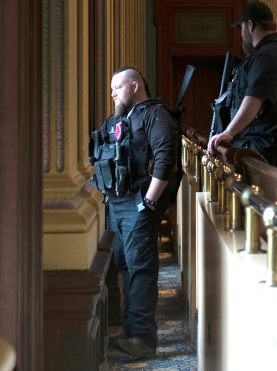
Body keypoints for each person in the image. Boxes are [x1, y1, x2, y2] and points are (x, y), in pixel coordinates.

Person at [95, 67, 181, 360]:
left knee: (141, 269)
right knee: (126, 266)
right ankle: (132, 332)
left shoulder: (156, 116)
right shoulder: (120, 119)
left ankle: (143, 338)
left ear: (135, 86)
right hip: (118, 205)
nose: (112, 93)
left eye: (116, 87)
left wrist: (149, 202)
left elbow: (166, 160)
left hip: (138, 205)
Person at [207, 1, 277, 170]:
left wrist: (229, 132)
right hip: (260, 145)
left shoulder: (268, 55)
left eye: (242, 28)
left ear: (249, 26)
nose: (242, 34)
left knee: (258, 196)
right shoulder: (267, 54)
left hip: (263, 147)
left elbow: (255, 98)